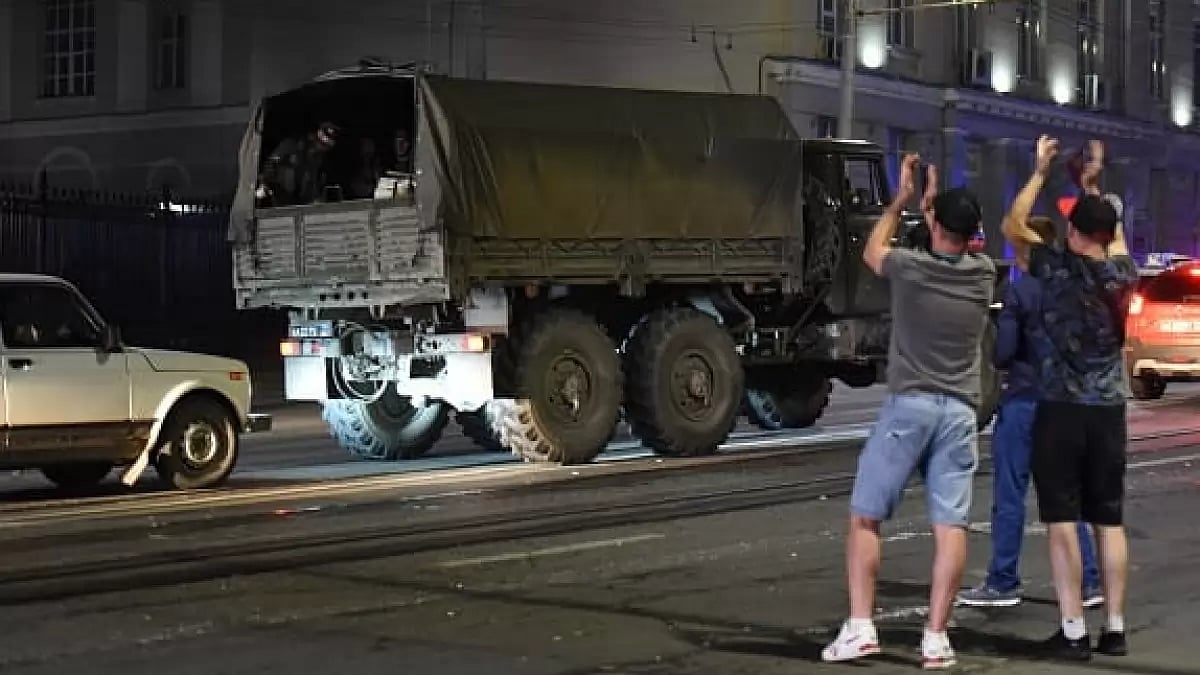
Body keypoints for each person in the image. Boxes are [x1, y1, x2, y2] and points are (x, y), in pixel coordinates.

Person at [822, 154, 996, 670]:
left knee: (866, 517)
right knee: (951, 526)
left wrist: (900, 202)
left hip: (910, 407)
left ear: (935, 226)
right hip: (960, 413)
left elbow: (874, 251)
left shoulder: (910, 268)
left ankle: (860, 627)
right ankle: (936, 638)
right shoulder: (983, 276)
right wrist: (934, 210)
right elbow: (955, 250)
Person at [1001, 136, 1138, 661]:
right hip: (1109, 412)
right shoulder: (1124, 274)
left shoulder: (1052, 268)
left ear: (1073, 229)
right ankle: (1117, 627)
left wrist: (1039, 172)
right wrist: (1096, 189)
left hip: (1059, 409)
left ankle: (1074, 630)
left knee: (1063, 518)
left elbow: (1013, 224)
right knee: (1110, 520)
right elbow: (1115, 234)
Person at [955, 213, 1105, 611]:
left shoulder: (1021, 293)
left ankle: (1003, 581)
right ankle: (1089, 581)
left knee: (1010, 495)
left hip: (1024, 401)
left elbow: (1002, 354)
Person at [257, 121, 341, 205]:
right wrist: (265, 184)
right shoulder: (291, 145)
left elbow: (312, 183)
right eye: (321, 143)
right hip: (278, 197)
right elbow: (271, 164)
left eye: (326, 146)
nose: (322, 148)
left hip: (299, 204)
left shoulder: (319, 159)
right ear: (315, 137)